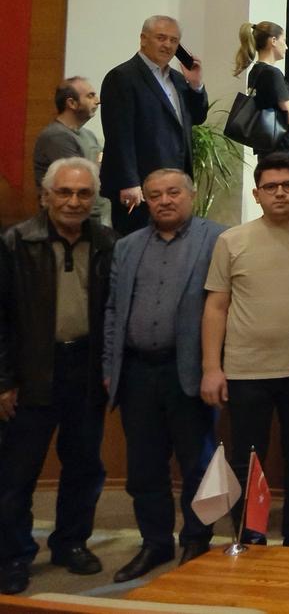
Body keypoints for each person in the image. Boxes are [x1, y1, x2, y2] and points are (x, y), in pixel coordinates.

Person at [102, 169, 226, 582]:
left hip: (188, 370)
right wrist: (110, 366)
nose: (164, 201)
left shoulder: (218, 239)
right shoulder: (127, 246)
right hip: (137, 372)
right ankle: (154, 543)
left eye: (173, 192)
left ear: (191, 194)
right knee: (144, 467)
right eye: (155, 195)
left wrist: (216, 367)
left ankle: (196, 540)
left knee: (198, 464)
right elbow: (113, 311)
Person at [0, 158, 116, 595]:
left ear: (94, 198)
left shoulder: (107, 242)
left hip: (85, 370)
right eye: (64, 192)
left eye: (83, 193)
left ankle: (71, 544)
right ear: (45, 196)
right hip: (31, 371)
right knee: (16, 474)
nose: (73, 201)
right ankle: (13, 555)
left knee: (85, 466)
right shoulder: (16, 242)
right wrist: (3, 381)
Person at [201, 152, 289, 549]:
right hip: (245, 370)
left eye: (288, 185)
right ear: (256, 194)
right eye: (270, 187)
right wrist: (211, 368)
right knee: (247, 457)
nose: (280, 193)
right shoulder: (231, 241)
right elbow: (216, 307)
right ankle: (248, 533)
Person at [99, 15, 209, 233]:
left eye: (173, 40)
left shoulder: (179, 79)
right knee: (137, 244)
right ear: (143, 39)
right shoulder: (122, 77)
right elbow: (119, 135)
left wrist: (196, 85)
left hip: (176, 184)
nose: (167, 45)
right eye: (161, 38)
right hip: (139, 187)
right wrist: (129, 182)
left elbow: (197, 117)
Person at [32, 77, 110, 226]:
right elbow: (81, 180)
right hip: (69, 221)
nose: (98, 101)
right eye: (90, 96)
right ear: (71, 103)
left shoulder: (88, 135)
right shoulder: (56, 136)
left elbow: (103, 165)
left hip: (94, 220)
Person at [233, 21, 289, 158]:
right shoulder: (272, 73)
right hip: (284, 148)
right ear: (274, 41)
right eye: (284, 40)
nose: (286, 47)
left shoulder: (255, 72)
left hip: (267, 148)